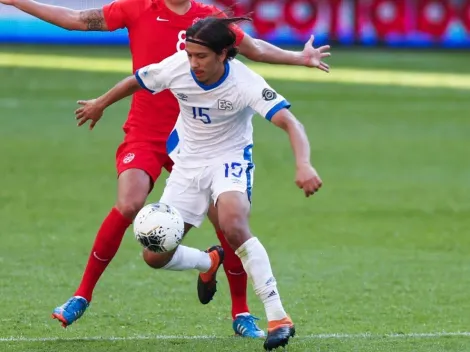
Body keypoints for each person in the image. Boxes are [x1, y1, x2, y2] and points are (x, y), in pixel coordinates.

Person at [0, 0, 330, 336]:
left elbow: (256, 53)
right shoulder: (144, 17)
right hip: (158, 138)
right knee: (140, 224)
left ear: (220, 53)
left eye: (199, 56)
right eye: (190, 55)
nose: (193, 61)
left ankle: (247, 312)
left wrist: (299, 59)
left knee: (230, 223)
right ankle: (87, 293)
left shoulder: (212, 25)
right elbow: (79, 22)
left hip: (212, 147)